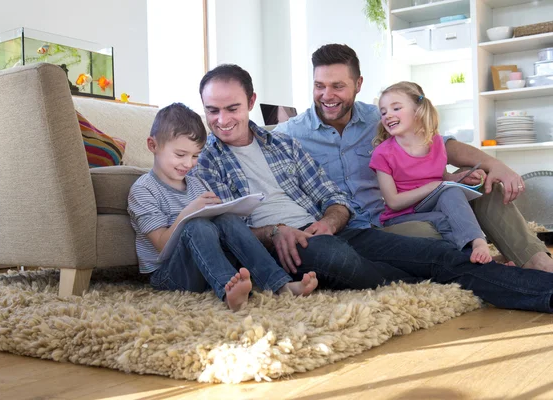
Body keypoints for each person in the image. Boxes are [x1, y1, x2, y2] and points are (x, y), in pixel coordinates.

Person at [192, 63, 553, 313]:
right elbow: (227, 231)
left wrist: (332, 221)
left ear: (251, 102)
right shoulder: (204, 161)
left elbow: (333, 196)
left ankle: (543, 291)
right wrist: (273, 232)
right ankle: (428, 278)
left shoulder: (284, 145)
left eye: (232, 108)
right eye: (212, 111)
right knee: (339, 258)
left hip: (344, 229)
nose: (222, 120)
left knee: (443, 256)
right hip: (298, 246)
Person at [274, 43, 553, 272]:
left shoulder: (381, 118)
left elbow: (439, 144)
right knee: (439, 232)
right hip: (368, 231)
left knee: (483, 189)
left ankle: (538, 263)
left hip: (400, 212)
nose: (327, 95)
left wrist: (496, 165)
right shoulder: (290, 134)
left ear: (358, 84)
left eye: (337, 86)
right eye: (319, 86)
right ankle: (484, 257)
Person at [127, 102, 318, 312]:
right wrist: (189, 212)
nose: (188, 164)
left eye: (195, 156)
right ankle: (228, 290)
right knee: (196, 226)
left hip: (203, 264)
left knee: (227, 219)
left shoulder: (196, 184)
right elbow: (162, 246)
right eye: (180, 155)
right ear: (153, 145)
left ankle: (281, 285)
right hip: (167, 275)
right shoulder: (143, 190)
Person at [369, 81, 491, 264]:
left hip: (432, 202)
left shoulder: (436, 142)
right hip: (401, 216)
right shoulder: (383, 153)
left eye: (396, 108)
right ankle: (475, 261)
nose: (388, 115)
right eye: (383, 111)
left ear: (417, 111)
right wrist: (433, 186)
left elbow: (442, 178)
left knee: (452, 191)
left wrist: (458, 178)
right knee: (444, 219)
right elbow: (393, 202)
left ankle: (479, 243)